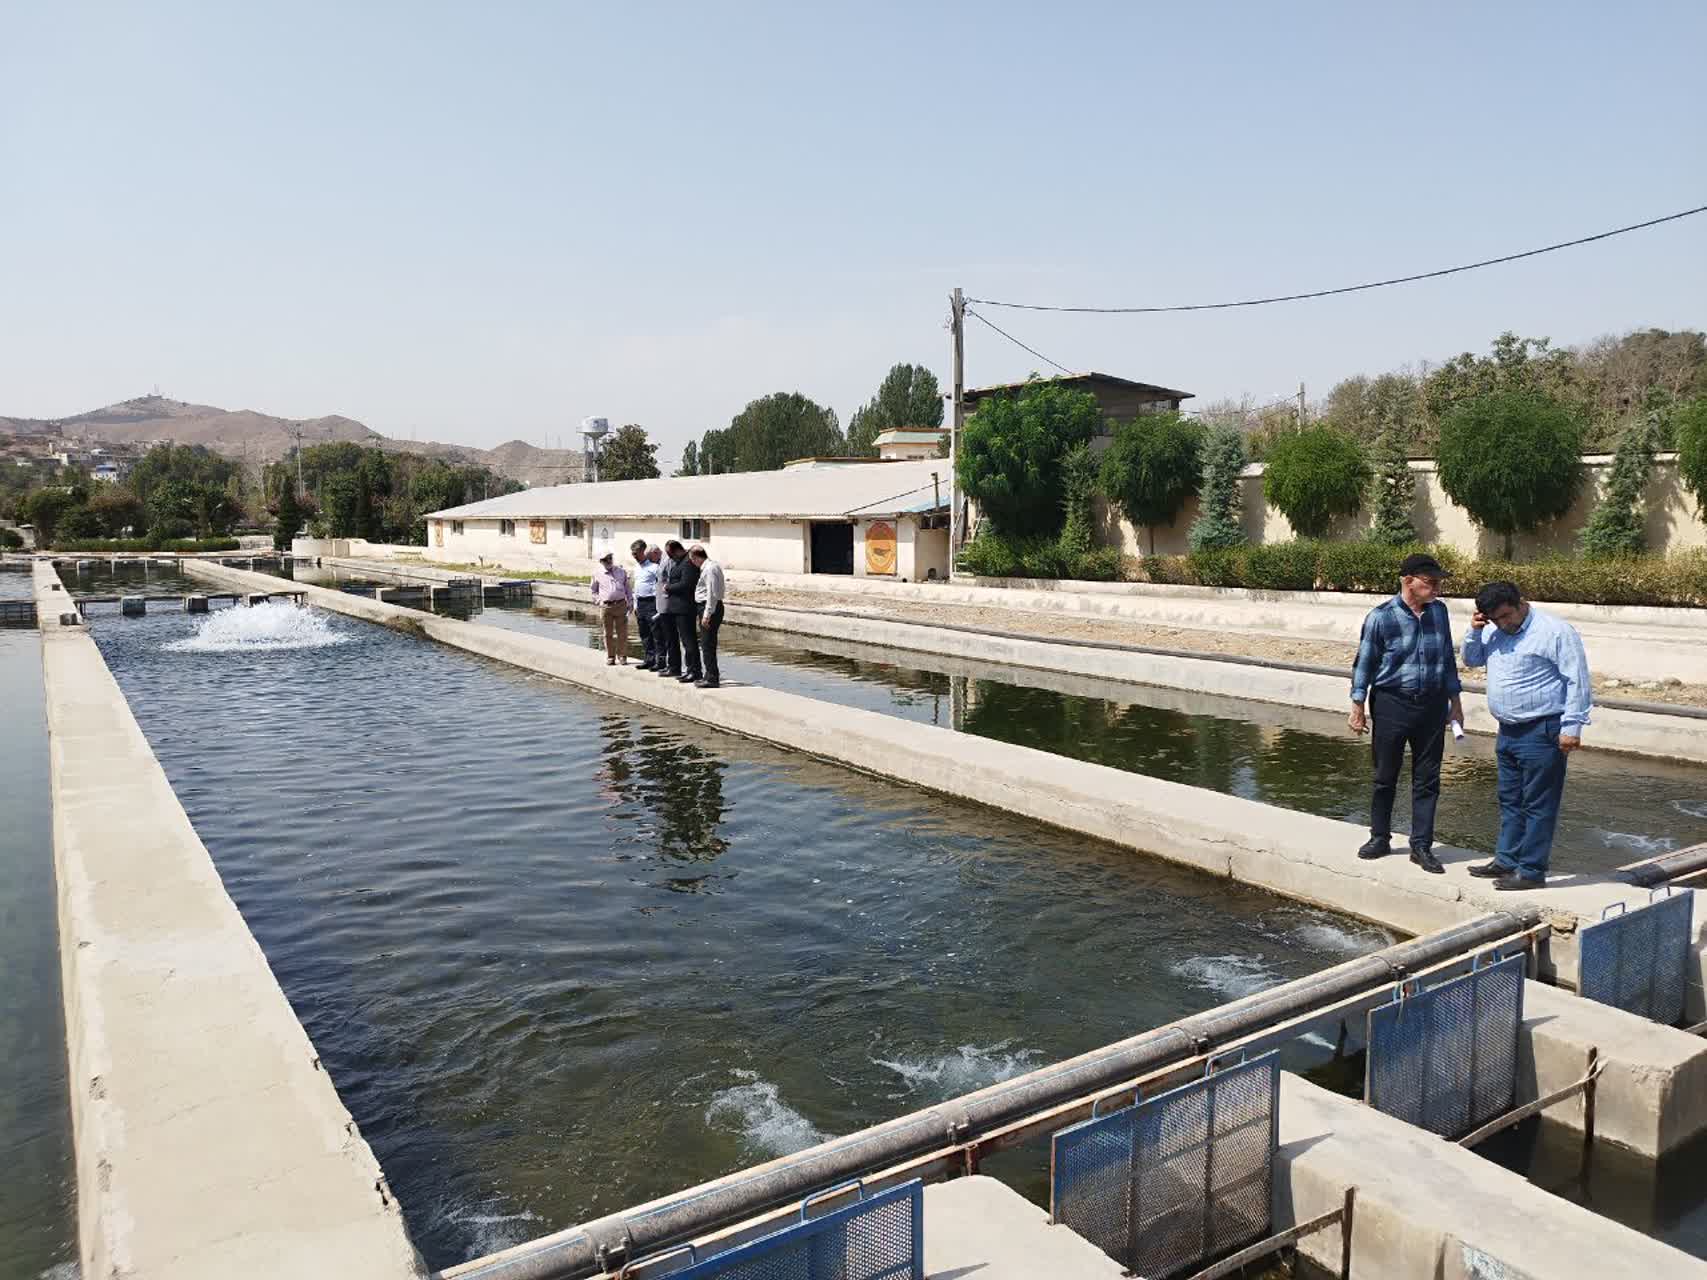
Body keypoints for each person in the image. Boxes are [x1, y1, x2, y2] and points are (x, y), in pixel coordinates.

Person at [1462, 580, 1592, 890]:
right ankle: (1506, 860)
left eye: (1506, 616)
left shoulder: (1555, 631)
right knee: (1510, 799)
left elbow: (1577, 680)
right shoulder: (1493, 630)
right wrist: (1475, 631)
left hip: (1542, 729)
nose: (1502, 623)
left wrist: (1571, 727)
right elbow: (1472, 659)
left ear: (1521, 602)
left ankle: (1532, 871)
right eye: (1495, 619)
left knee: (1538, 804)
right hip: (1507, 731)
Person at [1348, 553, 1465, 875]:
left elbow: (1447, 659)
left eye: (1439, 583)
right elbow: (1365, 662)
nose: (1437, 589)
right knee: (1385, 775)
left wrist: (1455, 703)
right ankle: (1379, 837)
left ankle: (1421, 846)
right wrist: (1357, 706)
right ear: (1407, 580)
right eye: (1430, 582)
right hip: (1392, 704)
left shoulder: (1439, 612)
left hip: (1432, 704)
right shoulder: (1380, 617)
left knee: (1428, 779)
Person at [661, 539, 702, 683]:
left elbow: (686, 584)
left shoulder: (688, 562)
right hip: (677, 608)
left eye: (670, 554)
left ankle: (694, 671)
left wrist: (668, 587)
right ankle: (688, 669)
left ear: (677, 550)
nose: (670, 558)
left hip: (685, 608)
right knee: (684, 641)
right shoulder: (680, 561)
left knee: (689, 641)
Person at [689, 545, 725, 688]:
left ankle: (712, 678)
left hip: (709, 607)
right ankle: (709, 675)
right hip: (709, 607)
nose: (692, 563)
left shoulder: (709, 569)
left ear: (696, 557)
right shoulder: (712, 566)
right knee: (708, 643)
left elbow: (711, 594)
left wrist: (707, 614)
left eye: (692, 560)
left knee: (707, 643)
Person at [590, 550, 633, 665]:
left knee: (622, 632)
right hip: (606, 606)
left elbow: (628, 588)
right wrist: (599, 601)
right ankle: (610, 656)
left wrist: (630, 602)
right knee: (607, 633)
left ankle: (622, 656)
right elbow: (593, 591)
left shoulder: (621, 571)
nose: (609, 561)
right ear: (601, 561)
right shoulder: (597, 573)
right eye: (606, 559)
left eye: (610, 558)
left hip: (620, 604)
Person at [631, 540, 659, 670]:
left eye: (636, 553)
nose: (634, 556)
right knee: (644, 633)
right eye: (633, 554)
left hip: (651, 602)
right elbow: (636, 588)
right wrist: (635, 605)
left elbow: (660, 585)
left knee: (656, 633)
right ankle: (648, 659)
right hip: (640, 603)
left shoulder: (654, 568)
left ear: (643, 551)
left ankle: (659, 661)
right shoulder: (636, 568)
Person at [649, 545, 677, 678]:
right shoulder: (661, 562)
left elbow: (669, 582)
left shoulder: (667, 561)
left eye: (650, 558)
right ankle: (669, 665)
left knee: (671, 639)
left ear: (656, 553)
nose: (650, 561)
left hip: (668, 606)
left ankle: (673, 667)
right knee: (665, 637)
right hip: (662, 606)